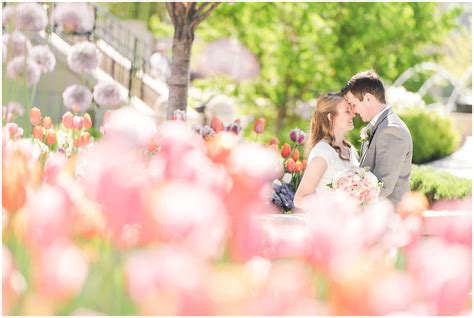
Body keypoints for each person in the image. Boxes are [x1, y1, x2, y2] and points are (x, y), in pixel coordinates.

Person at [342, 70, 413, 206]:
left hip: (389, 217)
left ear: (368, 98)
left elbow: (383, 186)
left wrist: (348, 201)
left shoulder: (392, 130)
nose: (353, 111)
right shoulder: (377, 126)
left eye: (354, 104)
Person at [294, 92, 359, 210]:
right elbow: (300, 199)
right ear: (330, 117)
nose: (353, 114)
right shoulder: (323, 152)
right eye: (347, 111)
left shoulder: (350, 149)